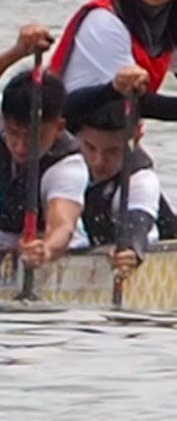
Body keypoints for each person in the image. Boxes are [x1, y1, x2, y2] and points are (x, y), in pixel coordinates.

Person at [0, 27, 86, 268]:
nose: (20, 146)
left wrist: (46, 249)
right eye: (13, 134)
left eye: (33, 137)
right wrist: (17, 52)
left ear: (59, 128)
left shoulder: (68, 165)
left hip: (51, 251)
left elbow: (63, 225)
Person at [64, 82, 172, 282]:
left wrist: (131, 250)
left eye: (113, 151)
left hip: (153, 244)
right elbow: (63, 104)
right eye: (90, 147)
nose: (98, 162)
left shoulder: (141, 180)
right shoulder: (64, 164)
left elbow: (137, 225)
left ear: (137, 136)